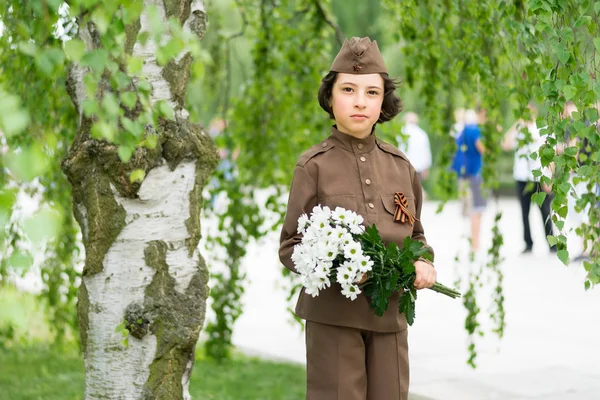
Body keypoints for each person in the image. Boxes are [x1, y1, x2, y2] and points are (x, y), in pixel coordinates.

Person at [278, 37, 436, 400]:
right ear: (330, 97)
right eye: (348, 89)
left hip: (391, 317)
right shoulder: (312, 166)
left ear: (384, 102)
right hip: (334, 318)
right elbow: (290, 247)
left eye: (372, 92)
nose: (360, 101)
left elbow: (416, 236)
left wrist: (422, 260)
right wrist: (337, 267)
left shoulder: (402, 167)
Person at [501, 103, 555, 254]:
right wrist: (516, 124)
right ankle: (528, 243)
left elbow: (550, 154)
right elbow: (505, 144)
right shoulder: (519, 129)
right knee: (524, 212)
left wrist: (548, 176)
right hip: (521, 176)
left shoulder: (541, 129)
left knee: (545, 211)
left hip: (539, 176)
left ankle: (551, 242)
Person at [450, 109, 486, 252]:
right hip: (475, 173)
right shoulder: (474, 131)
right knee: (477, 210)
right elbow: (482, 149)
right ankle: (475, 245)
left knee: (470, 209)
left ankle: (473, 243)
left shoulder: (462, 131)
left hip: (463, 174)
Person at [397, 112, 432, 182]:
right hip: (417, 168)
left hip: (403, 167)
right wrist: (426, 168)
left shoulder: (400, 132)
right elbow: (426, 152)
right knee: (415, 189)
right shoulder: (422, 134)